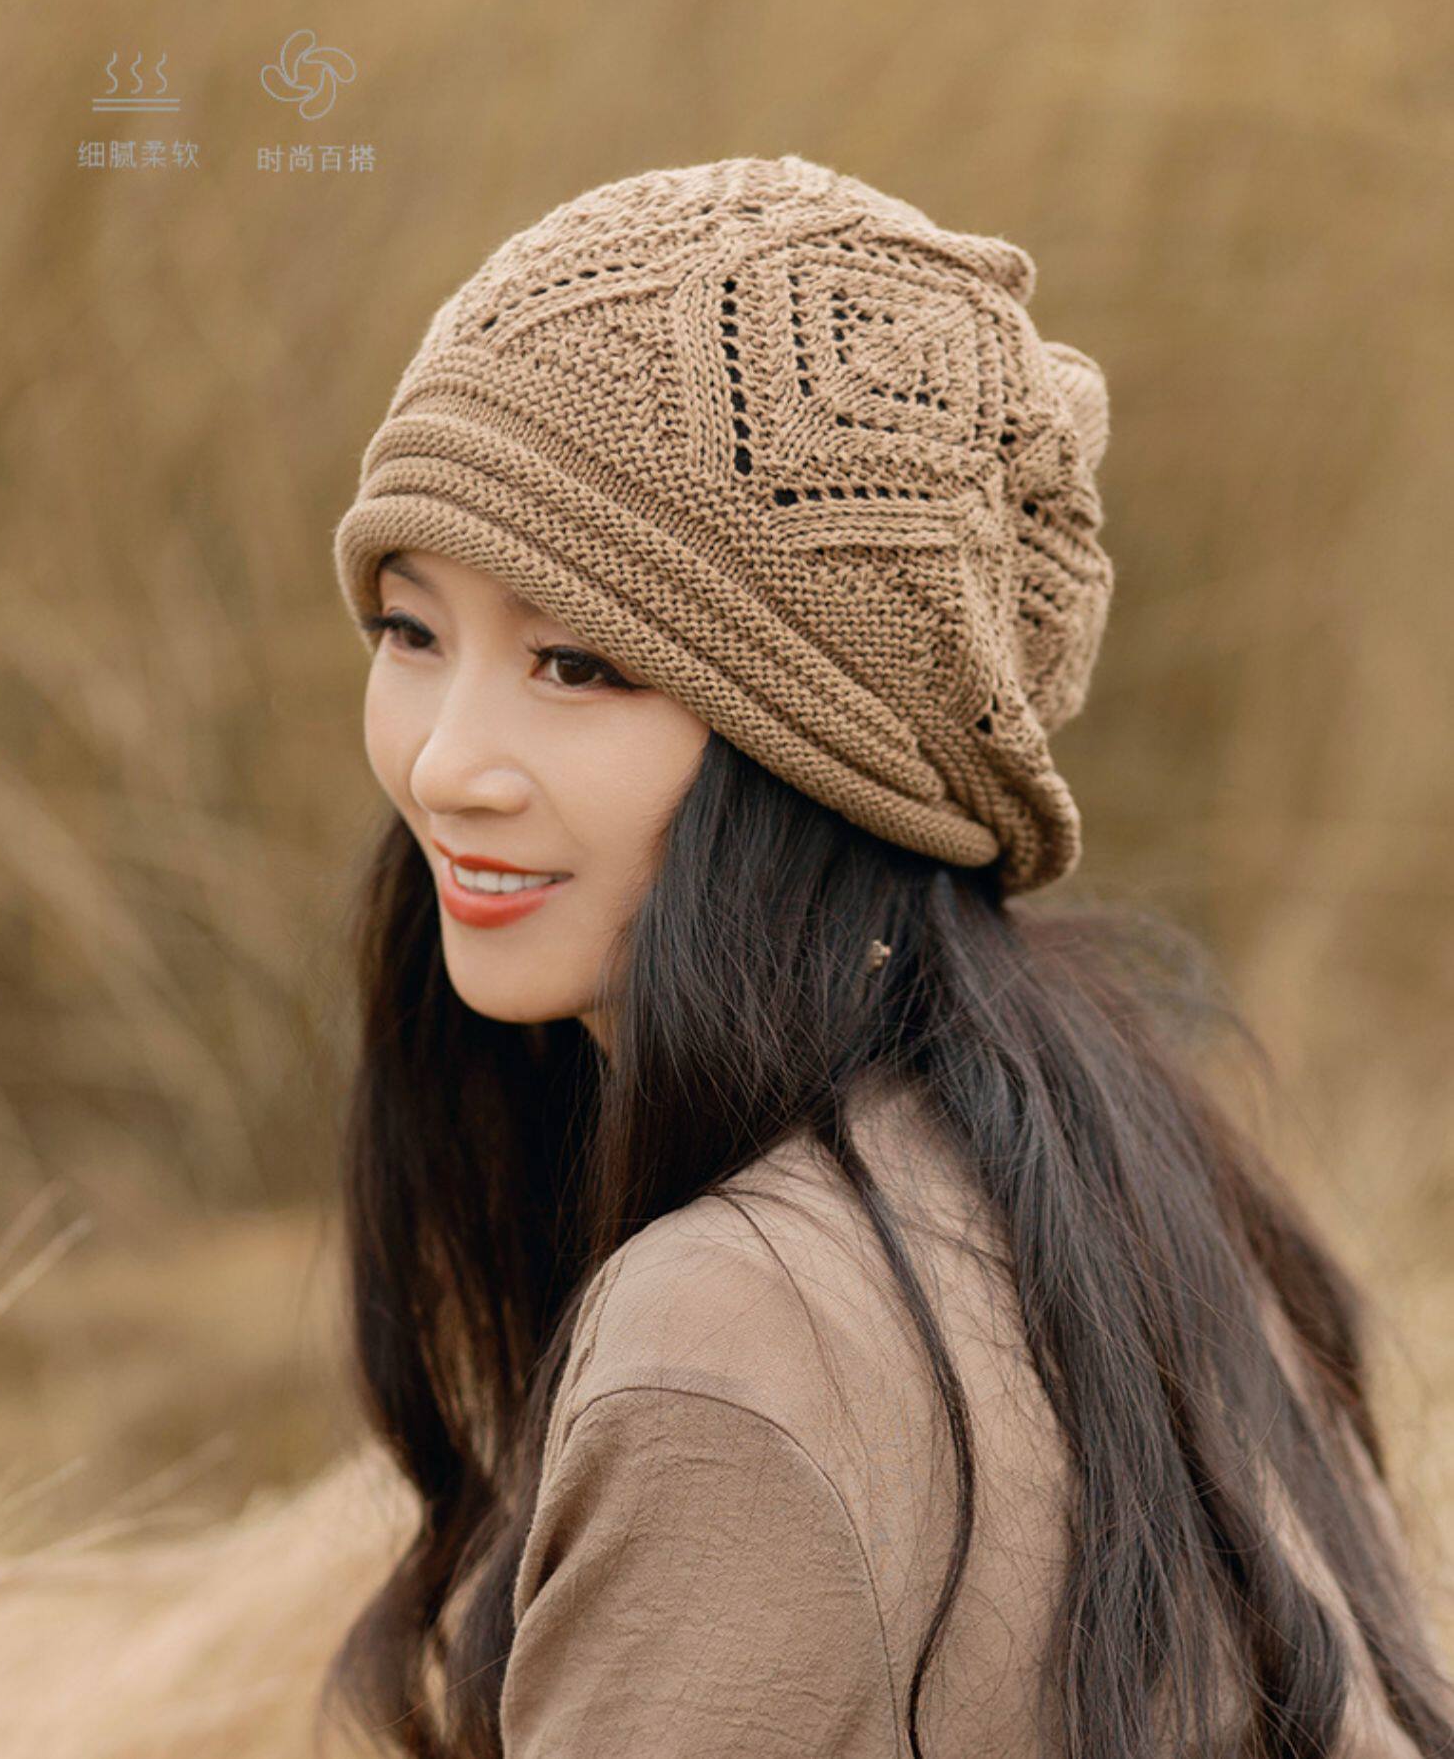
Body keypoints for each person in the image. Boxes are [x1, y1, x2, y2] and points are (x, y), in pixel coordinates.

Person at [321, 153, 1452, 1759]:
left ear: (826, 745)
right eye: (411, 630)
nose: (445, 763)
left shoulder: (730, 1335)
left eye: (578, 664)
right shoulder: (1093, 1160)